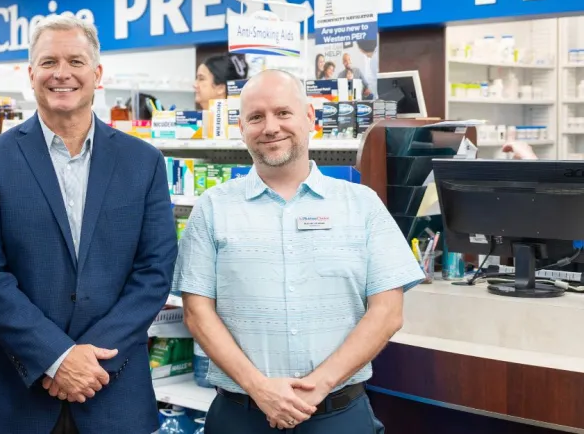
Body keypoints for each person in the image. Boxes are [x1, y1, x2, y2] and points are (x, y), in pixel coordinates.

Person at [0, 14, 179, 434]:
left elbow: (154, 273)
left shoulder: (143, 162)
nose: (62, 74)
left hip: (111, 390)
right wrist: (56, 357)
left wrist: (86, 363)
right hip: (12, 396)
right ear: (31, 74)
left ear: (96, 74)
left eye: (76, 61)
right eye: (49, 62)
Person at [174, 69, 425, 433]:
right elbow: (198, 313)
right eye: (255, 117)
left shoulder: (361, 205)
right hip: (240, 416)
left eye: (283, 113)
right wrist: (259, 388)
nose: (270, 127)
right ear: (241, 128)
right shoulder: (213, 207)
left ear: (310, 118)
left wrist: (319, 385)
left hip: (337, 415)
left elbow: (387, 313)